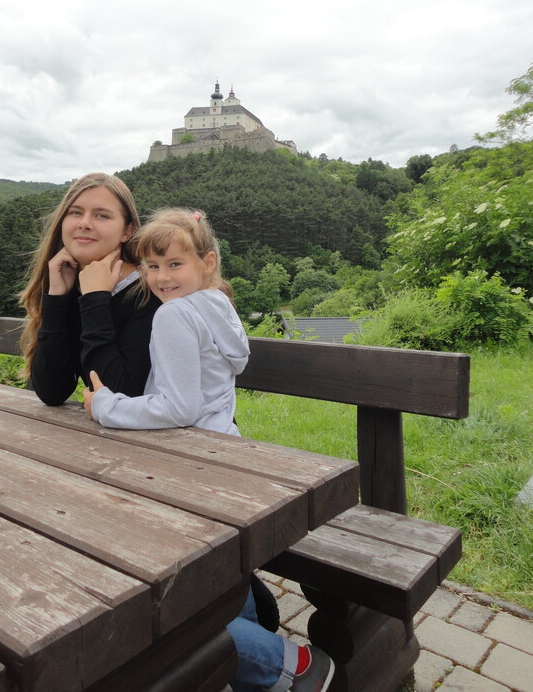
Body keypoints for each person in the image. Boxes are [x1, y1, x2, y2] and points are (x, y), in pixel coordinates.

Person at [83, 207, 335, 692]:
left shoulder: (175, 315)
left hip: (193, 464)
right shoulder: (217, 304)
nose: (160, 278)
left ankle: (289, 665)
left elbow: (176, 407)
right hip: (226, 454)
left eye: (174, 265)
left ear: (207, 261)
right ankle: (256, 637)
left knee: (173, 597)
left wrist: (106, 405)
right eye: (151, 267)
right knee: (216, 574)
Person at [19, 172, 159, 406]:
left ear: (128, 231)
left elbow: (120, 399)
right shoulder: (74, 289)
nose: (84, 223)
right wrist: (57, 298)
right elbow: (52, 391)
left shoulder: (149, 294)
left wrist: (96, 299)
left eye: (101, 215)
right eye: (75, 212)